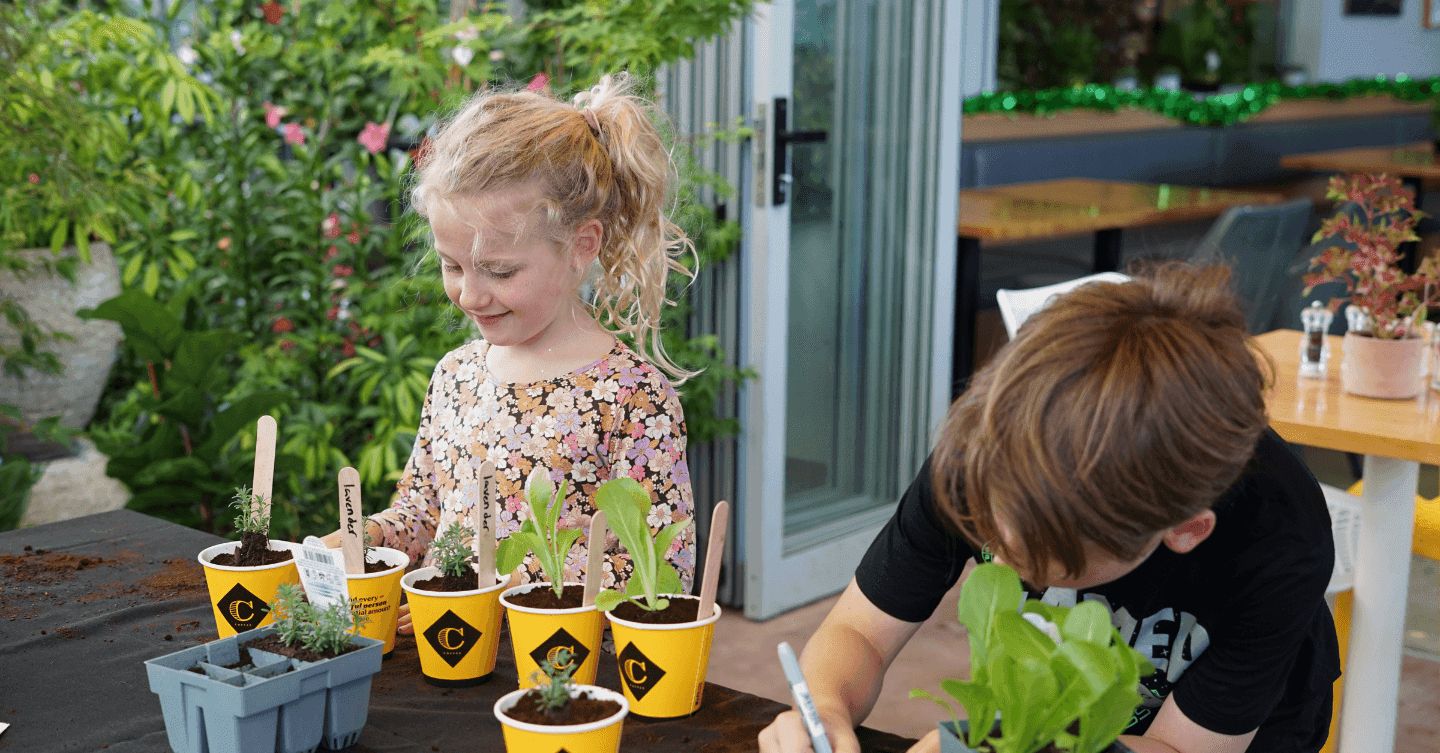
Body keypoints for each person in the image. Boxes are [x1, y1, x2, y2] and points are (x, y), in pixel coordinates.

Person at [759, 262, 1340, 753]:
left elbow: (1178, 747)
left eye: (1041, 559)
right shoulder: (986, 455)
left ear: (1184, 531)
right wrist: (826, 709)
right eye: (989, 534)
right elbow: (860, 630)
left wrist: (985, 744)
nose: (1002, 568)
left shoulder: (1281, 540)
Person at [323, 73, 697, 635]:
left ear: (581, 246)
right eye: (452, 265)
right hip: (447, 656)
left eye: (499, 270)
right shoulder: (457, 374)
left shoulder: (633, 396)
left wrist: (503, 591)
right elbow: (422, 512)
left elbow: (662, 574)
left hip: (563, 678)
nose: (469, 294)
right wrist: (362, 536)